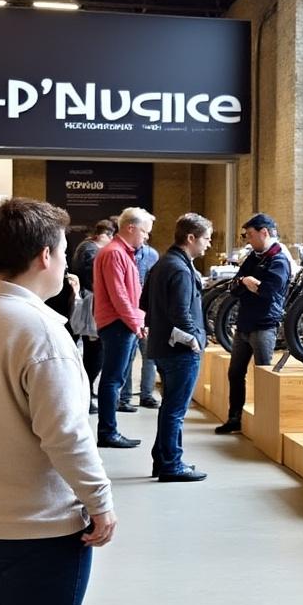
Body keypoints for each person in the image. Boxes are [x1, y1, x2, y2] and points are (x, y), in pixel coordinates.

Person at [0, 197, 116, 605]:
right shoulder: (39, 331)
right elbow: (66, 435)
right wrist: (100, 503)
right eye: (61, 252)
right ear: (44, 256)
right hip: (40, 533)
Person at [143, 214, 212, 483]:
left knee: (169, 408)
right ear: (191, 238)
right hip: (179, 351)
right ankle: (172, 464)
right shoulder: (181, 269)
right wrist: (195, 339)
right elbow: (181, 312)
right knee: (176, 411)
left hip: (161, 346)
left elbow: (144, 301)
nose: (208, 244)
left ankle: (163, 460)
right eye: (206, 238)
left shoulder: (163, 263)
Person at [215, 213, 290, 434]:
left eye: (249, 235)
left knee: (264, 375)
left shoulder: (279, 260)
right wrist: (248, 283)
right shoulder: (253, 257)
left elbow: (269, 291)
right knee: (235, 373)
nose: (247, 240)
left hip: (264, 325)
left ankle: (266, 423)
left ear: (264, 232)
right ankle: (234, 417)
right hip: (244, 324)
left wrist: (248, 283)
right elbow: (234, 286)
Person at [92, 207, 153, 449]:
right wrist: (136, 322)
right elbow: (120, 296)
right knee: (112, 379)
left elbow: (131, 293)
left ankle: (110, 430)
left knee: (116, 378)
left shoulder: (122, 253)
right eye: (145, 232)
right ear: (131, 227)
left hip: (124, 323)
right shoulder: (114, 253)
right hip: (117, 324)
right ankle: (108, 432)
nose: (146, 237)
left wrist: (140, 320)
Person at [71, 220, 116, 414]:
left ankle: (86, 393)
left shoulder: (86, 247)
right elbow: (93, 279)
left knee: (91, 352)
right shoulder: (90, 250)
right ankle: (86, 394)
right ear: (104, 234)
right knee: (94, 352)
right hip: (90, 306)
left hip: (86, 304)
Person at [121, 241, 160, 410]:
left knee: (149, 355)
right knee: (128, 358)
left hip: (146, 312)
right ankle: (125, 397)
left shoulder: (152, 255)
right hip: (128, 312)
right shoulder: (121, 254)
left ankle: (147, 395)